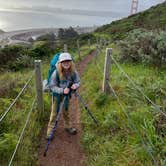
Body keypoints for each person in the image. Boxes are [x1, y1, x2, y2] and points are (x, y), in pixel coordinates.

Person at [46, 52, 80, 139]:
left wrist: (75, 85)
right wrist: (62, 90)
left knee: (66, 111)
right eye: (64, 61)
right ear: (60, 62)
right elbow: (52, 86)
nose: (66, 63)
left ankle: (68, 126)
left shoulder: (73, 71)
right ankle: (50, 131)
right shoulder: (56, 73)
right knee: (54, 113)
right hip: (57, 95)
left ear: (71, 62)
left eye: (68, 61)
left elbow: (78, 81)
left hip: (67, 95)